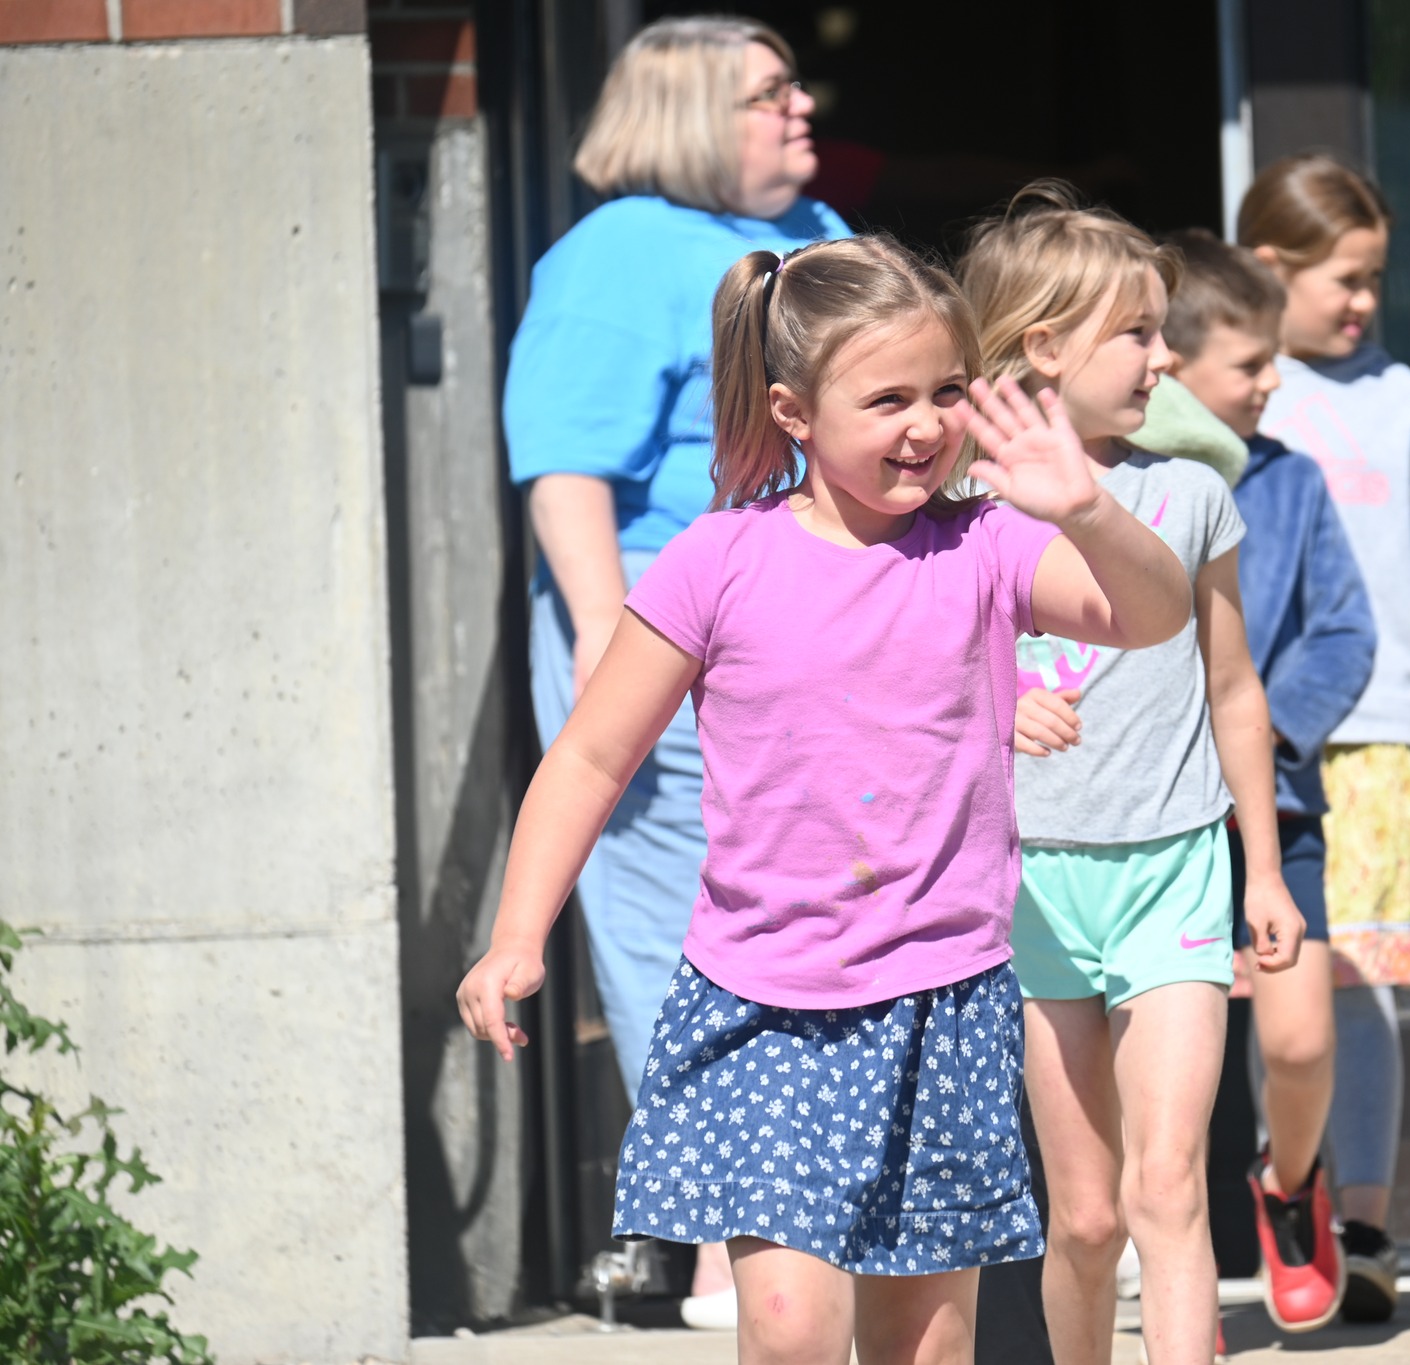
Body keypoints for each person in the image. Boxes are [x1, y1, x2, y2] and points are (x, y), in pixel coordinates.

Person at [459, 234, 1191, 1365]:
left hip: (941, 1001)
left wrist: (1085, 509)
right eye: (887, 398)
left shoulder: (987, 546)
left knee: (927, 1349)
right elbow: (591, 758)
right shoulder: (716, 561)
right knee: (793, 1331)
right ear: (794, 413)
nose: (925, 424)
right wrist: (516, 935)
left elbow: (1151, 614)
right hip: (765, 1001)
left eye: (946, 391)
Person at [500, 15, 845, 1315]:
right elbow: (569, 466)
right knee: (683, 940)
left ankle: (811, 1217)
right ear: (694, 115)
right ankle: (728, 1237)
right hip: (667, 635)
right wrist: (604, 631)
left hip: (825, 636)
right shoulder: (614, 258)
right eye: (768, 95)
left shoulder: (821, 239)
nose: (802, 107)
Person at [966, 183, 1306, 1365]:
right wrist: (999, 716)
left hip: (1173, 876)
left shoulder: (1191, 495)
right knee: (1089, 1213)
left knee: (1169, 1193)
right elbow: (906, 691)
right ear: (1043, 347)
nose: (1165, 359)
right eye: (1140, 334)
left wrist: (1260, 872)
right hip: (1032, 894)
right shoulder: (958, 510)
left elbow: (1232, 692)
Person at [1240, 154, 1410, 1323]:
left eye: (1374, 280)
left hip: (1381, 738)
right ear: (1267, 270)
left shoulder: (1401, 399)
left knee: (1360, 993)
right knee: (1274, 986)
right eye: (1340, 279)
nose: (1361, 304)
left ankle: (1360, 1223)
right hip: (1258, 751)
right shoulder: (1233, 393)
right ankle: (1278, 1192)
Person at [1155, 229, 1377, 1333]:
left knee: (1293, 1039)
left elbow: (1342, 632)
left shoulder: (1287, 484)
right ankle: (1163, 1261)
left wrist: (1262, 734)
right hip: (1143, 827)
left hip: (1271, 815)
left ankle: (1290, 1187)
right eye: (1246, 365)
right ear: (1167, 366)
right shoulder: (1110, 491)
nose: (1270, 381)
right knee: (1159, 1079)